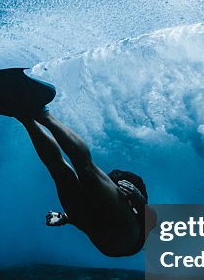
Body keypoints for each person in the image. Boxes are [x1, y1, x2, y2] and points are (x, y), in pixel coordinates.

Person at [18, 110, 157, 257]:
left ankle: (39, 114)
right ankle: (26, 118)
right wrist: (64, 218)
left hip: (115, 230)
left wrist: (138, 197)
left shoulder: (142, 218)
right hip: (101, 231)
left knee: (72, 170)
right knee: (65, 170)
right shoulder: (128, 213)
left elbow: (152, 218)